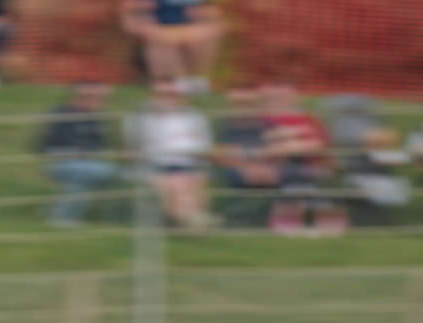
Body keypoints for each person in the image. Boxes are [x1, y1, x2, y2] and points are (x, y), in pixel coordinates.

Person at [260, 83, 344, 237]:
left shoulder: (308, 119)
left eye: (285, 97)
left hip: (314, 163)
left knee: (320, 177)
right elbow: (268, 147)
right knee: (294, 173)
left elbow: (320, 144)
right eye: (275, 98)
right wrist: (299, 137)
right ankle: (288, 224)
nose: (281, 101)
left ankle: (326, 226)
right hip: (283, 164)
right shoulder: (264, 120)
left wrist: (289, 139)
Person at [122, 0, 222, 93]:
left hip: (186, 30)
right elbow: (129, 12)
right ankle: (178, 83)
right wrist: (137, 22)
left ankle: (197, 79)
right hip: (157, 29)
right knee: (160, 39)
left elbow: (210, 12)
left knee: (207, 35)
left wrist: (206, 17)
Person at [37, 82, 119, 227]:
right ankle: (61, 217)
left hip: (87, 164)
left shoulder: (96, 118)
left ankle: (61, 219)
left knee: (80, 181)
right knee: (113, 172)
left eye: (98, 99)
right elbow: (43, 145)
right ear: (76, 97)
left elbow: (101, 145)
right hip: (60, 163)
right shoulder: (60, 115)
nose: (96, 102)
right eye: (90, 97)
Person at [135, 79, 212, 230]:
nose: (168, 100)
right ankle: (193, 220)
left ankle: (181, 220)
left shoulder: (195, 117)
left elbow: (204, 145)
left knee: (188, 181)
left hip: (190, 165)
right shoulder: (146, 119)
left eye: (173, 95)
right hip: (158, 166)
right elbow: (144, 149)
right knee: (178, 184)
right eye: (162, 95)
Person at [211, 85, 279, 227]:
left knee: (283, 174)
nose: (245, 108)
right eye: (241, 104)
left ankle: (267, 220)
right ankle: (235, 219)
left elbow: (277, 148)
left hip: (267, 167)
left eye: (249, 104)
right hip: (234, 167)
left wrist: (268, 165)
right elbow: (217, 152)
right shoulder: (224, 125)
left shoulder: (267, 124)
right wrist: (244, 167)